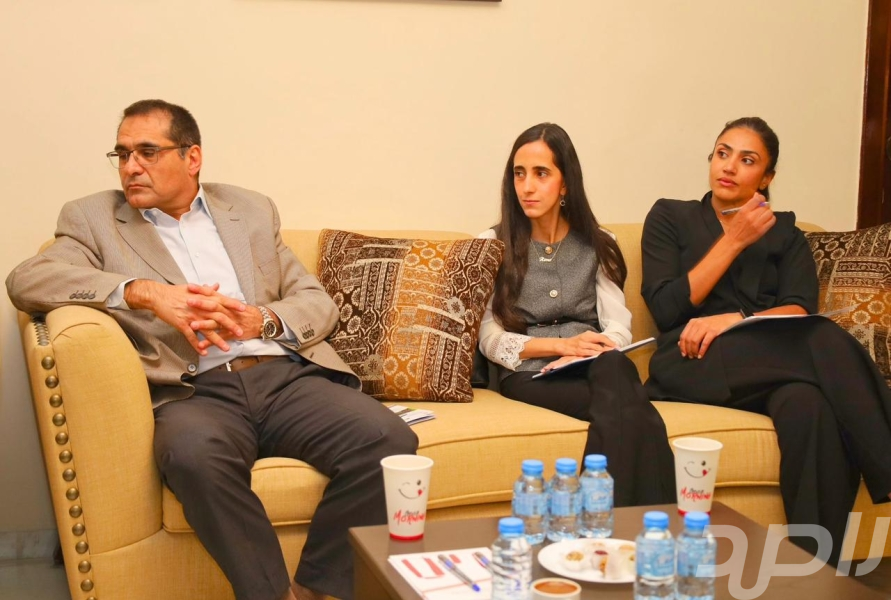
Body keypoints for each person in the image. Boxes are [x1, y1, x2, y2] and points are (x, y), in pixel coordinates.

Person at [6, 99, 418, 600]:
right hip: (193, 392)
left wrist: (261, 319)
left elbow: (315, 301)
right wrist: (143, 292)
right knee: (191, 457)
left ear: (192, 157)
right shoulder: (94, 218)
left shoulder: (249, 210)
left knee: (386, 438)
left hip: (284, 378)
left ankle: (316, 590)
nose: (130, 166)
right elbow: (27, 280)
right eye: (122, 154)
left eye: (147, 152)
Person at [641, 116, 891, 565]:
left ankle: (816, 571)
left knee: (808, 406)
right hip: (690, 360)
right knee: (822, 337)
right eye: (723, 153)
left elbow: (798, 309)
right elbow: (664, 308)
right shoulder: (670, 216)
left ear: (766, 178)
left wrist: (734, 320)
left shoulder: (786, 234)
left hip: (766, 369)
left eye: (747, 160)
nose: (729, 166)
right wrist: (734, 240)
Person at [478, 122, 675, 507]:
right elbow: (490, 339)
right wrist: (561, 347)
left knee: (615, 368)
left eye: (541, 174)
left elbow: (618, 326)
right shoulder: (493, 244)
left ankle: (602, 517)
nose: (527, 187)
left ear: (565, 183)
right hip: (529, 374)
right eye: (519, 174)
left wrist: (590, 349)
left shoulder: (600, 243)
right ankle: (652, 520)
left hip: (591, 366)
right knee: (633, 409)